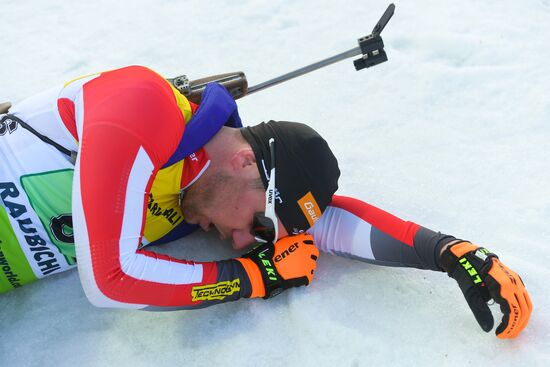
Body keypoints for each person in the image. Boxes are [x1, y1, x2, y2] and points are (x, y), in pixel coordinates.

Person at [0, 65, 531, 338]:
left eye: (256, 241)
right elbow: (110, 280)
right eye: (257, 227)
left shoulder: (201, 191)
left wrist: (446, 252)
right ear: (245, 163)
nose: (239, 242)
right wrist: (256, 278)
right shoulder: (145, 108)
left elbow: (325, 224)